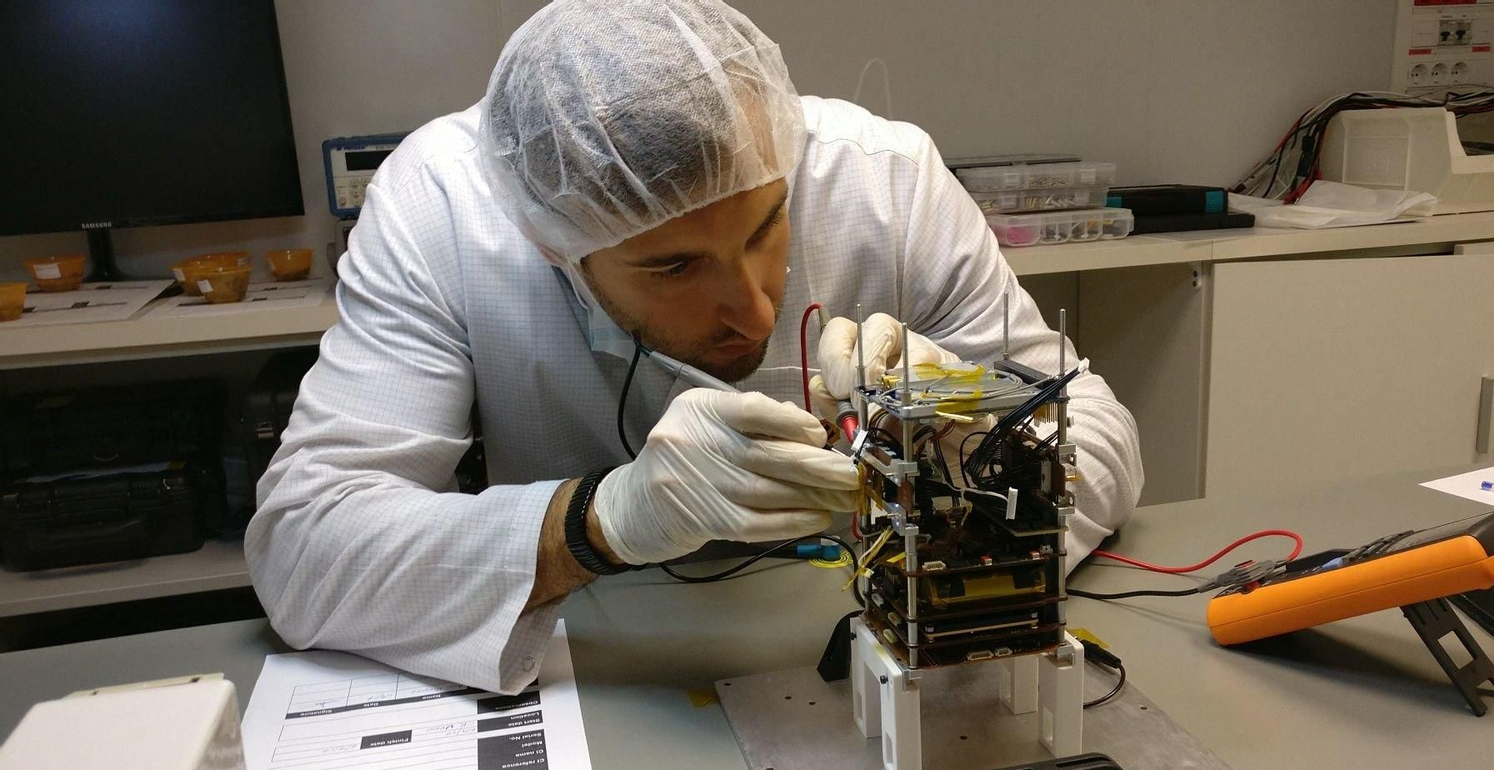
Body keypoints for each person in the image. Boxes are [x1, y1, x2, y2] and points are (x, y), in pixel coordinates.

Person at [244, 0, 1143, 694]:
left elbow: (1099, 433)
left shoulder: (884, 181)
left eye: (768, 227)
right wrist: (599, 523)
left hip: (863, 647)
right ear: (555, 244)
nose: (751, 307)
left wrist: (970, 434)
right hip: (602, 673)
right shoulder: (447, 212)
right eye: (673, 266)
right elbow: (304, 546)